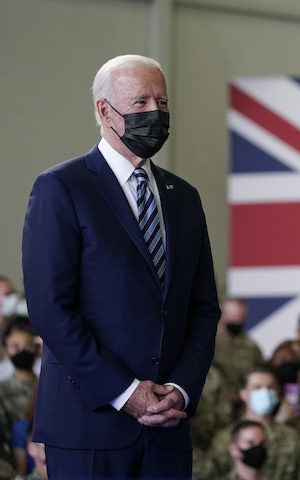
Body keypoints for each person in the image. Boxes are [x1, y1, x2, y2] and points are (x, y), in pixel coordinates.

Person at [21, 54, 221, 479]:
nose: (155, 113)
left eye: (163, 103)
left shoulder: (184, 197)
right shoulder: (61, 187)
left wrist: (181, 391)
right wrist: (125, 391)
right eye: (141, 102)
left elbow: (203, 307)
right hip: (88, 423)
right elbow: (50, 309)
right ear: (104, 111)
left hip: (167, 428)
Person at [206, 365, 300, 479]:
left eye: (270, 387)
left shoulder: (294, 439)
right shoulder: (224, 439)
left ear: (277, 393)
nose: (265, 392)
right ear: (243, 394)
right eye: (257, 387)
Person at [215, 297, 264, 395]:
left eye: (241, 318)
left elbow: (260, 369)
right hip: (214, 401)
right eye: (233, 317)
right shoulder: (209, 340)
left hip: (243, 399)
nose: (237, 321)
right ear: (222, 315)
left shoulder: (250, 345)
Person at [0, 317, 38, 432]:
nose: (22, 350)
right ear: (7, 353)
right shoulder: (2, 390)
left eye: (27, 346)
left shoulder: (46, 386)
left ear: (36, 349)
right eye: (15, 347)